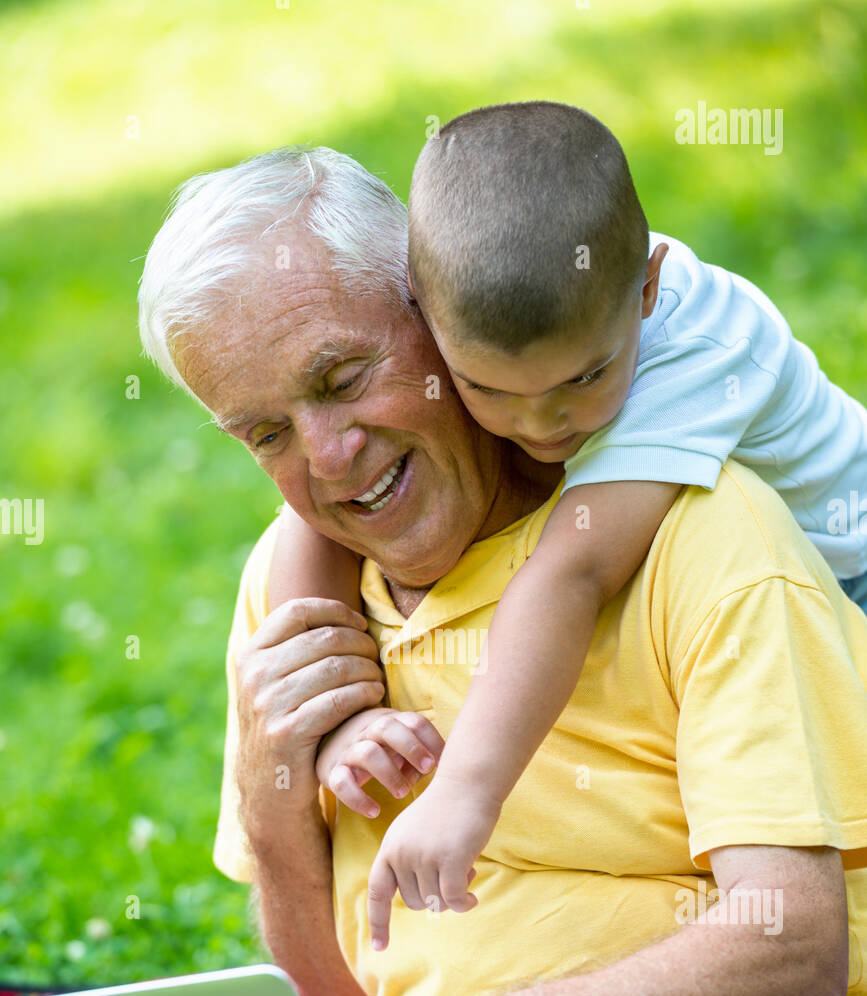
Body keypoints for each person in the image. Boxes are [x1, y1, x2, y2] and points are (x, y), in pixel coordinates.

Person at [138, 146, 867, 996]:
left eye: (341, 379)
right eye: (265, 432)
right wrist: (272, 786)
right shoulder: (298, 609)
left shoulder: (702, 531)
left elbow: (794, 952)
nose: (328, 460)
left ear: (432, 308)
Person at [263, 103, 867, 945]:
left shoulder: (698, 356)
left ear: (648, 290)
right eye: (491, 393)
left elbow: (569, 577)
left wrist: (466, 792)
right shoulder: (512, 331)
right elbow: (319, 518)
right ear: (422, 319)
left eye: (585, 379)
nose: (545, 425)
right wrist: (338, 719)